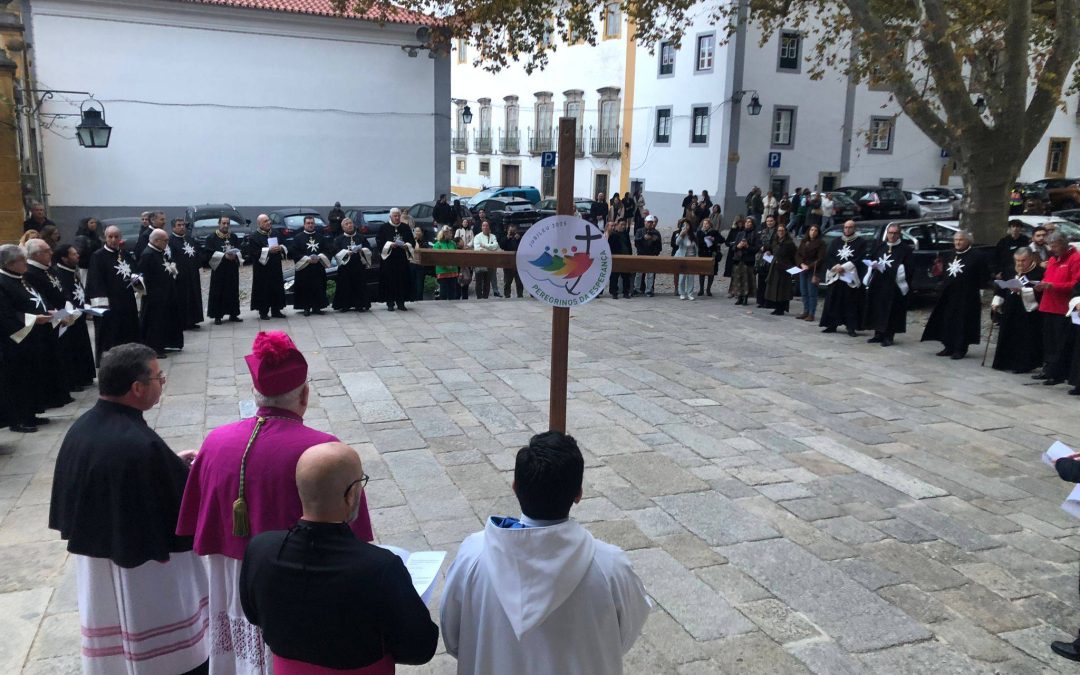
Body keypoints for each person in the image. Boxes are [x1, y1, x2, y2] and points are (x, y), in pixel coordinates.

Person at [177, 331, 375, 674]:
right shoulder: (323, 451)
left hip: (232, 576)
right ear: (305, 395)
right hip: (296, 579)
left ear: (256, 394)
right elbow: (350, 526)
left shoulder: (216, 441)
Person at [49, 343, 209, 674]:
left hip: (98, 560)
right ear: (137, 388)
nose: (161, 383)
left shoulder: (83, 427)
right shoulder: (138, 444)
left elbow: (118, 479)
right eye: (158, 377)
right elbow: (172, 505)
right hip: (143, 574)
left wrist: (171, 465)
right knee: (155, 648)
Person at [440, 431, 650, 675]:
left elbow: (453, 635)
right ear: (578, 493)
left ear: (515, 487)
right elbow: (624, 637)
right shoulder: (611, 567)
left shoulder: (472, 557)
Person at [240, 442, 438, 673]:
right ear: (352, 494)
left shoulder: (260, 549)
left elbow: (253, 614)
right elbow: (419, 648)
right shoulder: (380, 567)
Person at [0, 243, 71, 430]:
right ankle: (19, 419)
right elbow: (6, 314)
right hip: (16, 341)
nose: (26, 263)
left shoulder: (21, 278)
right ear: (9, 263)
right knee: (19, 379)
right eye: (22, 260)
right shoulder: (3, 282)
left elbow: (36, 299)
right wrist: (33, 318)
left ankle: (31, 412)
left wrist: (53, 313)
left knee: (33, 376)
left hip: (35, 336)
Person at [921, 230, 990, 359]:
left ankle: (960, 348)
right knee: (947, 319)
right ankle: (948, 345)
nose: (958, 242)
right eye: (956, 240)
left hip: (967, 295)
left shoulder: (977, 256)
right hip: (949, 294)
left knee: (963, 322)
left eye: (961, 240)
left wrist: (979, 289)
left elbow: (983, 276)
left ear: (968, 241)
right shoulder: (949, 254)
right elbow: (944, 273)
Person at [86, 225, 140, 365]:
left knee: (128, 329)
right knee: (110, 333)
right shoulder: (98, 256)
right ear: (105, 238)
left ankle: (129, 357)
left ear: (120, 238)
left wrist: (138, 282)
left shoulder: (125, 254)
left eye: (116, 237)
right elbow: (95, 281)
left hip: (127, 300)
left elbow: (135, 272)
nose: (114, 240)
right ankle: (108, 360)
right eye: (110, 237)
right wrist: (101, 306)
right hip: (109, 303)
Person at [1033, 232, 1080, 384]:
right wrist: (1041, 285)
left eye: (1055, 246)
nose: (1053, 249)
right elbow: (1047, 277)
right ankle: (1048, 369)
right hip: (1048, 305)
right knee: (1049, 341)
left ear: (1064, 244)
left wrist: (1054, 286)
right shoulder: (1053, 259)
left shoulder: (1075, 259)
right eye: (1051, 246)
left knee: (1060, 342)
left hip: (1062, 307)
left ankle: (1058, 372)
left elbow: (1075, 284)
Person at [991, 248, 1044, 373]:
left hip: (1027, 310)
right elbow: (1001, 288)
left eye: (1023, 260)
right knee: (1007, 332)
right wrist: (997, 302)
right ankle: (1004, 362)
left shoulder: (1039, 272)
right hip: (1010, 307)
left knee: (1024, 337)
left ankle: (1022, 364)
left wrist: (1022, 291)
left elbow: (1039, 293)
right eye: (1017, 261)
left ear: (1031, 258)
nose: (1020, 264)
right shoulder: (1010, 269)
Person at [52, 243, 97, 389]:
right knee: (74, 348)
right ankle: (76, 379)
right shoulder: (59, 273)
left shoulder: (71, 270)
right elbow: (63, 298)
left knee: (83, 344)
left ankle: (85, 376)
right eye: (73, 254)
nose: (77, 255)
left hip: (80, 316)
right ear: (64, 258)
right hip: (70, 318)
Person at [863, 224, 913, 346]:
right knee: (877, 309)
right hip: (878, 283)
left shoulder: (905, 249)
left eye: (895, 233)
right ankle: (878, 334)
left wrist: (895, 270)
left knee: (891, 311)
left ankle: (888, 336)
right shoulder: (880, 246)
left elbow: (909, 268)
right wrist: (874, 265)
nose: (892, 235)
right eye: (890, 233)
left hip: (893, 286)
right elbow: (873, 258)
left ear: (899, 234)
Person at [137, 229, 184, 357]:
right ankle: (155, 348)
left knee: (163, 321)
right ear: (156, 240)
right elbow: (141, 275)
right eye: (165, 241)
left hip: (164, 294)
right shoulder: (148, 254)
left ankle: (162, 344)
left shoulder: (158, 251)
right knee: (154, 323)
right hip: (154, 296)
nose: (167, 243)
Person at [818, 220, 868, 337]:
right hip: (837, 276)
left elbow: (861, 258)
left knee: (850, 303)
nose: (847, 229)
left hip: (850, 277)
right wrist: (836, 266)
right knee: (833, 301)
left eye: (850, 227)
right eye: (845, 227)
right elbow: (829, 256)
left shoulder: (861, 242)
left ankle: (851, 327)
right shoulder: (836, 241)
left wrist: (845, 267)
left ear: (854, 228)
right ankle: (831, 324)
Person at [204, 216, 245, 325]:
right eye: (223, 223)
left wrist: (236, 255)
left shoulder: (233, 237)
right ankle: (217, 315)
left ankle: (233, 313)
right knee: (218, 291)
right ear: (219, 224)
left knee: (232, 291)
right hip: (219, 269)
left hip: (232, 269)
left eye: (227, 223)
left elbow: (240, 250)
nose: (226, 225)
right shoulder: (211, 238)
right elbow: (208, 254)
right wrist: (224, 256)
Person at [245, 214, 287, 320]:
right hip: (262, 268)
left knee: (276, 287)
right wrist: (268, 250)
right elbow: (253, 253)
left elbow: (284, 245)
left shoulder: (275, 233)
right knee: (263, 289)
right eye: (265, 221)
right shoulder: (254, 236)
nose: (268, 222)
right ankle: (263, 312)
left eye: (268, 220)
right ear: (259, 224)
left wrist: (281, 248)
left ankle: (276, 310)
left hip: (275, 266)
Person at [289, 215, 330, 316]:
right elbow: (294, 252)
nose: (310, 225)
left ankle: (317, 307)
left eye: (312, 223)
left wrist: (319, 257)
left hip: (318, 267)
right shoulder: (298, 238)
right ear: (304, 225)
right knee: (305, 288)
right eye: (308, 223)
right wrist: (307, 259)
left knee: (319, 287)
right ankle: (306, 308)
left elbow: (327, 250)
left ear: (314, 224)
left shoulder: (320, 237)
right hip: (304, 268)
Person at [168, 219, 206, 329]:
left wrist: (199, 263)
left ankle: (193, 320)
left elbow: (197, 252)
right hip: (181, 275)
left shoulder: (189, 238)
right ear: (173, 227)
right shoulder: (171, 241)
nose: (182, 227)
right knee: (183, 298)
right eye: (179, 225)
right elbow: (171, 258)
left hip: (193, 273)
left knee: (194, 296)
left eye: (183, 225)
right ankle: (183, 322)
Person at [376, 208, 415, 311]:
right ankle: (390, 303)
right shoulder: (383, 228)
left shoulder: (405, 227)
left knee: (402, 281)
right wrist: (390, 244)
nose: (397, 218)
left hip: (401, 260)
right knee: (389, 281)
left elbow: (412, 241)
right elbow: (379, 243)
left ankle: (401, 303)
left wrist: (406, 245)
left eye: (398, 216)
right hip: (388, 260)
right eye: (395, 216)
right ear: (390, 217)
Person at [332, 217, 372, 312]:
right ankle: (344, 305)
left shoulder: (361, 237)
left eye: (350, 223)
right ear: (343, 227)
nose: (349, 225)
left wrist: (362, 250)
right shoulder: (339, 239)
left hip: (358, 266)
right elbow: (335, 252)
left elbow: (368, 249)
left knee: (360, 286)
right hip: (345, 268)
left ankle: (360, 305)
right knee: (345, 287)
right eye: (346, 224)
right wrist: (346, 253)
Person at [762, 224, 797, 315]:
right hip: (775, 268)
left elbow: (794, 256)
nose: (780, 232)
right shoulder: (775, 242)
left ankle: (781, 308)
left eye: (782, 230)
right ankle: (776, 307)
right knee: (774, 288)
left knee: (782, 289)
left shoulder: (789, 244)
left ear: (785, 232)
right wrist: (769, 252)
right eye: (779, 231)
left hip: (784, 268)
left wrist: (791, 267)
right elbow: (770, 249)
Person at [794, 223, 825, 321]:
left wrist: (809, 266)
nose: (813, 232)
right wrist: (801, 264)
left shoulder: (821, 243)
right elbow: (798, 255)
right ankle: (805, 311)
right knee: (804, 291)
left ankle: (812, 313)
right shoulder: (804, 241)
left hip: (813, 270)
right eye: (812, 230)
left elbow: (820, 258)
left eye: (815, 230)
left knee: (812, 292)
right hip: (803, 269)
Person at [729, 217, 757, 305]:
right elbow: (733, 247)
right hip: (738, 259)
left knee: (747, 279)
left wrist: (747, 246)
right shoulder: (740, 233)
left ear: (752, 224)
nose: (747, 223)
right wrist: (738, 246)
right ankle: (739, 297)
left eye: (749, 222)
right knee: (738, 279)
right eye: (746, 222)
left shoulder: (755, 234)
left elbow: (756, 248)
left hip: (748, 260)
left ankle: (745, 297)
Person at [634, 215, 663, 297]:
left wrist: (655, 241)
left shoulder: (656, 232)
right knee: (639, 273)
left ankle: (649, 290)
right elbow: (636, 242)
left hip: (651, 255)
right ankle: (637, 289)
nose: (649, 224)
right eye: (648, 222)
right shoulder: (640, 231)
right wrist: (643, 238)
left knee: (650, 274)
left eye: (651, 222)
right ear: (645, 222)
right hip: (641, 255)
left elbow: (659, 246)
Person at [696, 218, 724, 297]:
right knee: (702, 273)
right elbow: (698, 243)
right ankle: (701, 289)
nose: (705, 225)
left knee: (711, 273)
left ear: (710, 225)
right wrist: (705, 241)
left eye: (707, 224)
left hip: (712, 255)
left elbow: (722, 240)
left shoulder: (714, 232)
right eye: (704, 224)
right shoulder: (699, 232)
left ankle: (708, 289)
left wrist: (713, 239)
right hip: (702, 255)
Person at [754, 216, 778, 308]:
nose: (769, 223)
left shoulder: (777, 232)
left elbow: (775, 244)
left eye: (771, 221)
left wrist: (768, 248)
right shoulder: (763, 231)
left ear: (774, 221)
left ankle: (769, 302)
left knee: (770, 281)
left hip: (771, 257)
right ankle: (761, 301)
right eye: (768, 221)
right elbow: (758, 242)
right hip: (761, 258)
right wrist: (760, 247)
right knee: (761, 280)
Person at [473, 220, 500, 299]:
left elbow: (495, 246)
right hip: (479, 262)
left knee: (487, 282)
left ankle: (485, 297)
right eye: (483, 226)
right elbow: (477, 248)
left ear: (489, 227)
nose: (485, 227)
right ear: (481, 227)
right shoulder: (477, 237)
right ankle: (479, 297)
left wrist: (484, 246)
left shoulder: (493, 236)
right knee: (478, 282)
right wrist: (489, 248)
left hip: (490, 262)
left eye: (487, 225)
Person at [606, 219, 633, 299]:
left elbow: (629, 246)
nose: (623, 226)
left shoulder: (625, 234)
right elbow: (610, 247)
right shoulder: (613, 234)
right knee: (614, 276)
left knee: (626, 276)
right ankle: (614, 292)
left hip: (625, 257)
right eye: (621, 224)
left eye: (624, 225)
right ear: (617, 225)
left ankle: (626, 292)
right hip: (616, 258)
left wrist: (630, 255)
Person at [433, 227, 461, 300]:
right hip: (442, 271)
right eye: (447, 232)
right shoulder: (437, 244)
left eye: (449, 232)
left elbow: (457, 256)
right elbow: (436, 258)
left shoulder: (453, 243)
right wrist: (445, 265)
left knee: (452, 292)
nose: (450, 234)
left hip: (453, 270)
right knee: (443, 292)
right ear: (443, 233)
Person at [674, 220, 698, 301]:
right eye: (684, 225)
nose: (686, 227)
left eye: (687, 225)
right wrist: (681, 235)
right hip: (683, 258)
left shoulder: (693, 235)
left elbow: (696, 247)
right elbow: (676, 243)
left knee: (691, 277)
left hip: (692, 258)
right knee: (682, 276)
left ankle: (690, 294)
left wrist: (697, 257)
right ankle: (682, 293)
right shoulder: (680, 234)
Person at [500, 224, 524, 298]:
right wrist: (507, 237)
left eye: (514, 231)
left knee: (519, 282)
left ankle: (520, 296)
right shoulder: (505, 239)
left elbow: (524, 247)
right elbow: (502, 246)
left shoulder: (520, 239)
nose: (512, 233)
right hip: (508, 263)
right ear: (508, 231)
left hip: (518, 264)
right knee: (507, 282)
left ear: (516, 231)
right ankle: (507, 296)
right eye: (511, 231)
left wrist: (519, 239)